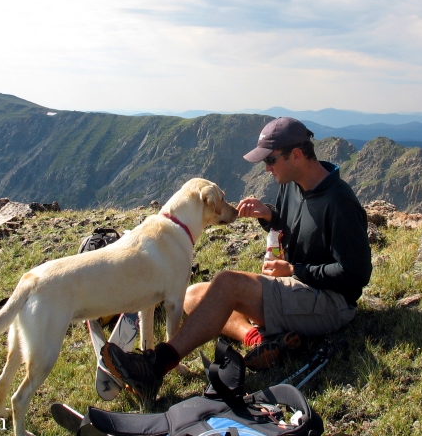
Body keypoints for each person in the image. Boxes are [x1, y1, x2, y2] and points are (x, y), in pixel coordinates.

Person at [102, 117, 372, 403]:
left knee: (227, 284)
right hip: (295, 284)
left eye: (270, 160)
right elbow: (293, 227)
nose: (266, 169)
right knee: (194, 295)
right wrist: (269, 215)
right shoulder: (292, 184)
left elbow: (355, 275)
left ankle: (154, 366)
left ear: (296, 155)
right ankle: (259, 340)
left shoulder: (339, 202)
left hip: (331, 302)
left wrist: (295, 269)